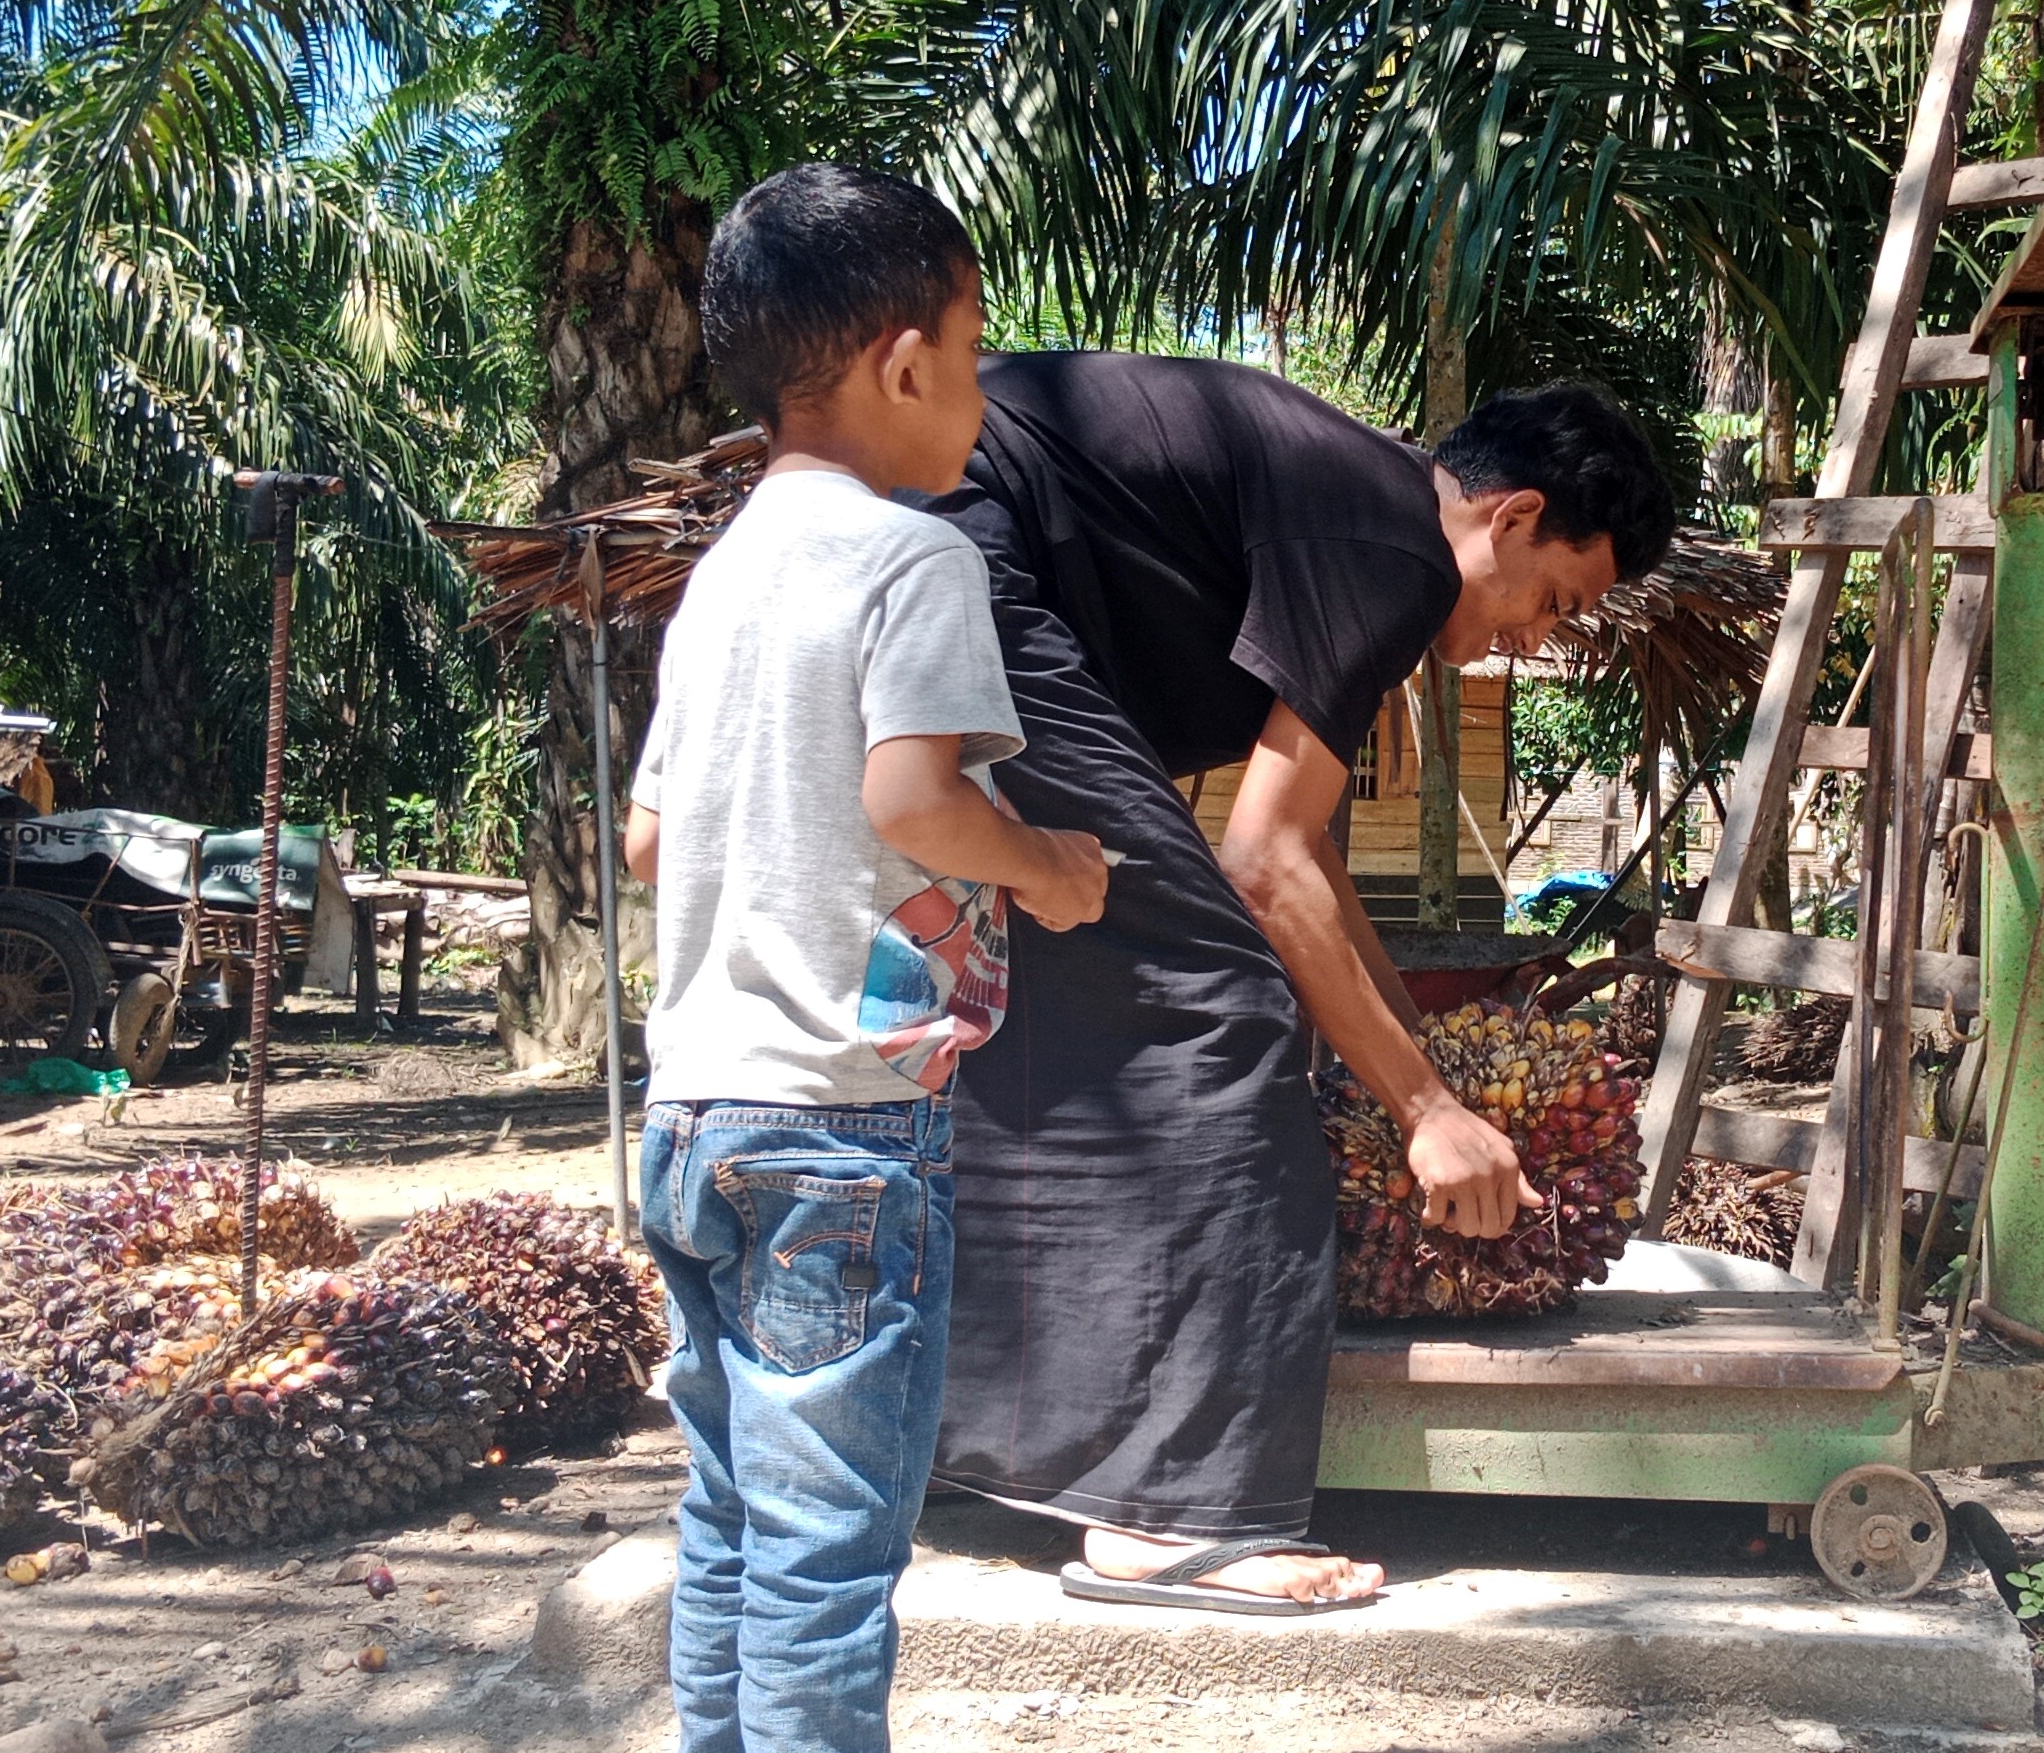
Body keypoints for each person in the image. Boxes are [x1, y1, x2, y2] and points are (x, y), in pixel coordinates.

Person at [927, 355, 1674, 1613]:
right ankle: (1169, 1513)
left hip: (948, 538)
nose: (1530, 640)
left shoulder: (1356, 507)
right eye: (1554, 599)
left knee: (1052, 1001)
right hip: (963, 547)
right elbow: (1260, 866)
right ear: (1516, 517)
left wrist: (1420, 1045)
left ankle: (974, 1441)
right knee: (1223, 1010)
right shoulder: (1395, 547)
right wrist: (1428, 1110)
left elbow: (1306, 848)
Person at [618, 164, 1112, 1752]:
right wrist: (1044, 867)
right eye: (970, 355)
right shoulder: (914, 560)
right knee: (832, 1554)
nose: (976, 395)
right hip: (840, 1131)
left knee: (733, 1520)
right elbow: (911, 796)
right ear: (904, 362)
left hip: (689, 1116)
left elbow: (644, 844)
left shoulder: (717, 583)